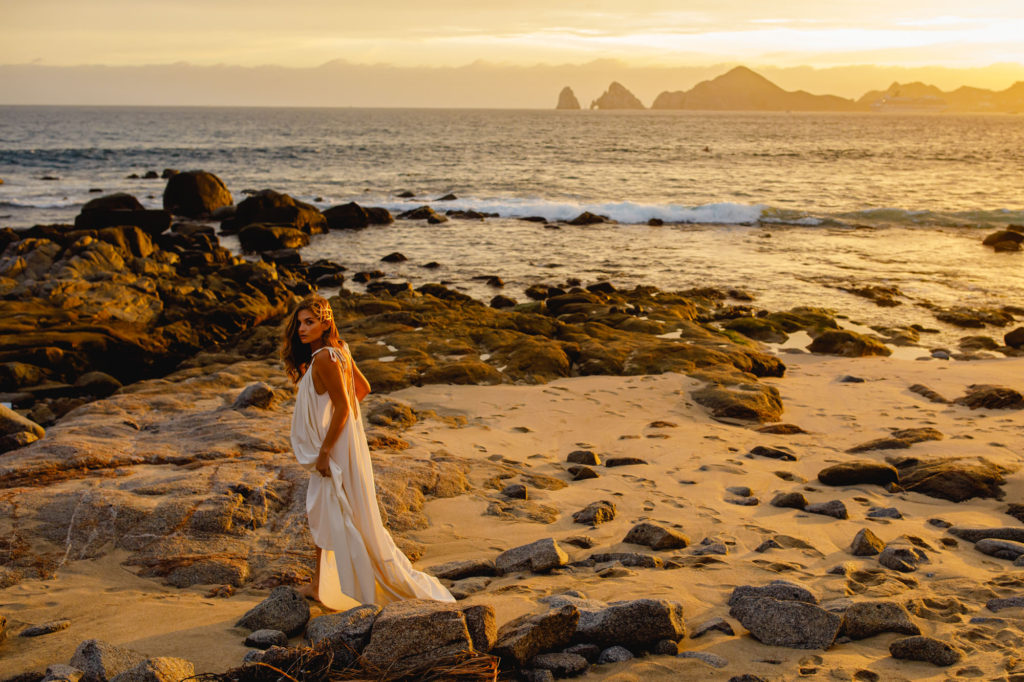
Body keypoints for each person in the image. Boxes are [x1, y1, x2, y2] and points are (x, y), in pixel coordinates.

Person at [282, 295, 454, 609]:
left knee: (329, 511)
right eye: (300, 323)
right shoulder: (341, 350)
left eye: (310, 322)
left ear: (325, 323)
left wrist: (325, 448)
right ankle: (320, 584)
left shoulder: (323, 358)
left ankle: (348, 583)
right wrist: (347, 431)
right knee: (322, 510)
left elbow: (345, 405)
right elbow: (362, 389)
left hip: (334, 448)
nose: (302, 329)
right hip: (346, 443)